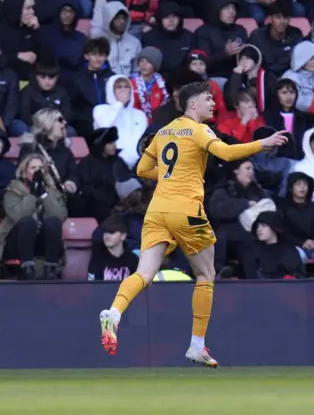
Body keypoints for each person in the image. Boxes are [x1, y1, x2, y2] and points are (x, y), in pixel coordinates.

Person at [98, 81, 289, 367]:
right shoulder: (199, 129)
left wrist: (167, 178)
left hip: (157, 210)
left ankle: (114, 311)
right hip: (187, 210)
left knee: (144, 272)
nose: (213, 104)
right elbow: (225, 154)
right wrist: (263, 143)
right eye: (208, 99)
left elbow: (141, 169)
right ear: (192, 104)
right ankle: (196, 345)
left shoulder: (164, 131)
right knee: (206, 274)